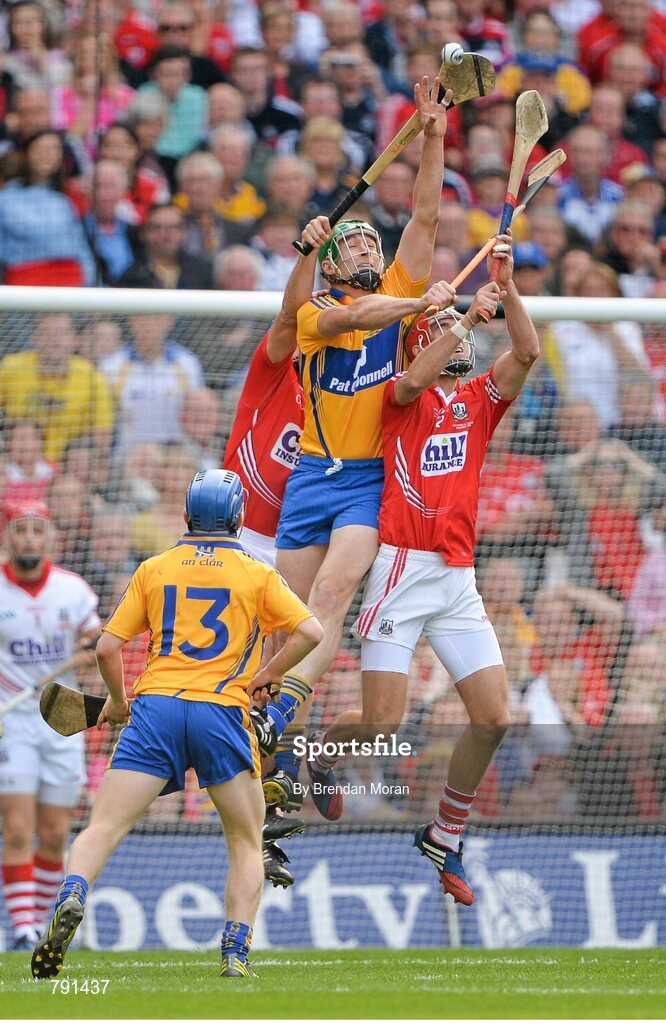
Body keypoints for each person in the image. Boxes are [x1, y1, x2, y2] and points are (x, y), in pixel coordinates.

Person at [308, 236, 540, 905]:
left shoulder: (478, 403)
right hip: (400, 573)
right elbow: (410, 380)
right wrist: (462, 317)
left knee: (494, 717)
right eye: (434, 329)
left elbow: (525, 353)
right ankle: (324, 753)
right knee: (383, 723)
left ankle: (444, 835)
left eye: (451, 327)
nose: (450, 334)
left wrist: (507, 283)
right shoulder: (398, 399)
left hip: (456, 579)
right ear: (418, 342)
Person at [31, 470, 323, 980]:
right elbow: (312, 631)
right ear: (238, 518)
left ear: (187, 515)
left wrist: (119, 702)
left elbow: (105, 647)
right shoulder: (255, 573)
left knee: (102, 827)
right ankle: (234, 954)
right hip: (221, 713)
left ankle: (74, 893)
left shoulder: (155, 567)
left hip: (155, 709)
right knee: (246, 839)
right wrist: (268, 675)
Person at [268, 76, 453, 815]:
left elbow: (429, 216)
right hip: (310, 476)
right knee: (290, 615)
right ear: (333, 261)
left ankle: (279, 716)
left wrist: (433, 136)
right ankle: (295, 757)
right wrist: (418, 302)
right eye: (355, 241)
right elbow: (354, 319)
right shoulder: (320, 310)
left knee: (331, 594)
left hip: (366, 481)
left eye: (375, 239)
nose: (372, 246)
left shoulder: (397, 280)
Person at [0, 502, 100, 951]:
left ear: (50, 538)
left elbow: (95, 642)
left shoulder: (73, 591)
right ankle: (21, 928)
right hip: (12, 720)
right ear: (8, 537)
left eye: (36, 531)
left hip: (62, 717)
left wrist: (86, 649)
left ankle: (41, 924)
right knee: (19, 828)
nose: (28, 539)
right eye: (20, 530)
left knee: (57, 831)